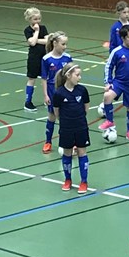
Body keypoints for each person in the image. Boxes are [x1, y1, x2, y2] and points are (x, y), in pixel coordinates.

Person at [51, 63, 91, 194]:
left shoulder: (82, 90)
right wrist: (65, 121)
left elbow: (86, 108)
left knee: (82, 152)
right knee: (67, 153)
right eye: (77, 75)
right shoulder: (59, 93)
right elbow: (56, 112)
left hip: (81, 127)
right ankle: (67, 180)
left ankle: (84, 181)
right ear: (68, 75)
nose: (79, 77)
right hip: (66, 128)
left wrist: (79, 119)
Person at [40, 32, 73, 154]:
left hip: (65, 92)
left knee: (65, 118)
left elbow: (72, 76)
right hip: (52, 92)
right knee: (52, 117)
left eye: (66, 44)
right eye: (63, 44)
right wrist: (45, 95)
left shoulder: (68, 58)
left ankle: (68, 142)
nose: (65, 47)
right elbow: (44, 78)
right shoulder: (46, 59)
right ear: (55, 43)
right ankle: (48, 142)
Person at [23, 7, 49, 112]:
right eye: (35, 19)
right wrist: (37, 31)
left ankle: (47, 99)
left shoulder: (44, 28)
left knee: (45, 78)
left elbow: (48, 41)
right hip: (34, 58)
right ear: (29, 20)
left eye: (39, 19)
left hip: (44, 57)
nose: (37, 21)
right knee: (32, 79)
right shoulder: (28, 30)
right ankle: (28, 102)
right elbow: (32, 43)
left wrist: (36, 39)